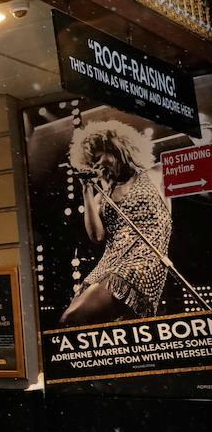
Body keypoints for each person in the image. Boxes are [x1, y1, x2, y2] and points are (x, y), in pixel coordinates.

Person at [61, 120, 171, 326]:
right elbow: (96, 237)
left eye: (101, 156)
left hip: (142, 261)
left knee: (72, 318)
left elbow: (197, 165)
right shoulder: (103, 196)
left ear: (119, 149)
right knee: (94, 326)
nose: (98, 164)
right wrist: (87, 190)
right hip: (108, 263)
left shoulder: (156, 174)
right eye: (92, 161)